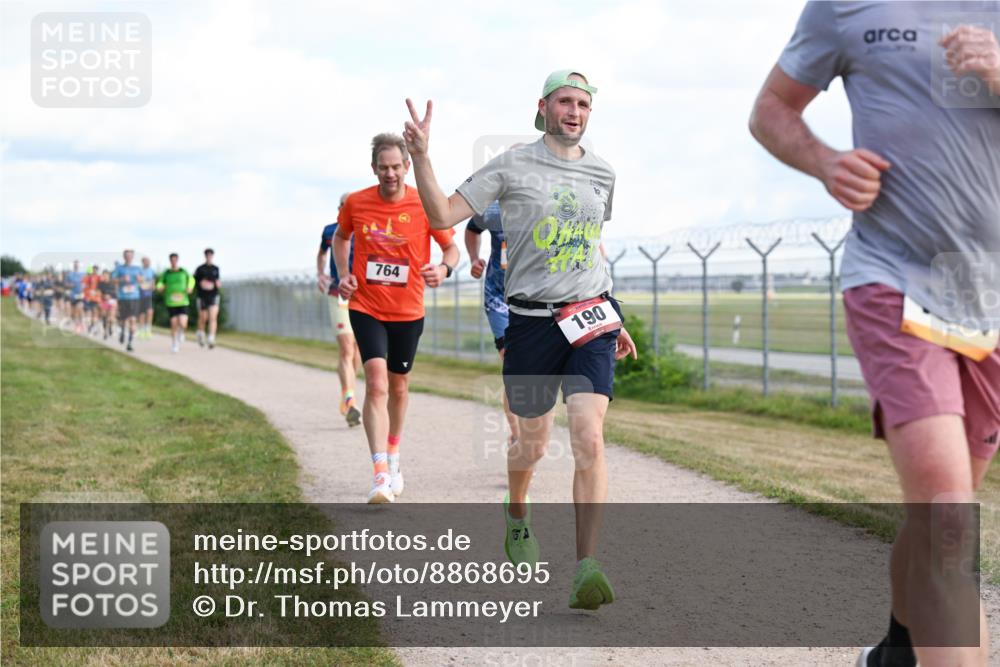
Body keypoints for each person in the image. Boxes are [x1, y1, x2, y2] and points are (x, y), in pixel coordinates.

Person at [750, 5, 999, 666]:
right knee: (950, 518)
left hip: (989, 301)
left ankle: (896, 648)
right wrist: (826, 162)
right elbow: (772, 106)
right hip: (893, 277)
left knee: (939, 515)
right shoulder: (844, 6)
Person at [403, 69, 637, 611]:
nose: (574, 112)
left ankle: (586, 567)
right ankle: (516, 511)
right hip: (530, 324)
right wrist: (421, 155)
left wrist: (613, 314)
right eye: (564, 102)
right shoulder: (512, 165)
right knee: (531, 443)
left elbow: (591, 247)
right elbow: (442, 214)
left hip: (590, 319)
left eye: (583, 104)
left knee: (589, 435)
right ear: (544, 107)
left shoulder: (603, 172)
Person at [334, 132, 459, 504]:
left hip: (407, 310)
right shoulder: (357, 203)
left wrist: (444, 269)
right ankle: (379, 474)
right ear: (374, 168)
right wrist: (344, 274)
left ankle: (393, 453)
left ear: (407, 166)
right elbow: (342, 239)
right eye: (383, 167)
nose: (390, 174)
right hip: (366, 305)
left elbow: (451, 247)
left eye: (396, 167)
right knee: (375, 384)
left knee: (399, 386)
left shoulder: (424, 205)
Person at [465, 202, 519, 448]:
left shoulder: (546, 204)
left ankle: (530, 430)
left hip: (534, 297)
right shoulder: (493, 211)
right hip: (498, 298)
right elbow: (472, 228)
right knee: (513, 364)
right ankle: (518, 435)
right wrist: (474, 259)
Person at [318, 193, 362, 427]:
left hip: (362, 296)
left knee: (355, 352)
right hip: (338, 294)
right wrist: (321, 273)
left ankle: (346, 396)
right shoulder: (330, 231)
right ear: (340, 208)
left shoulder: (364, 229)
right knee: (346, 347)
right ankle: (350, 399)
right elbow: (322, 254)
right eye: (346, 206)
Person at [156, 253, 195, 354]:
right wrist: (160, 286)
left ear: (177, 260)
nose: (173, 262)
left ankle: (181, 332)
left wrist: (190, 287)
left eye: (175, 260)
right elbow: (160, 282)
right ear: (170, 261)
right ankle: (174, 344)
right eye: (172, 260)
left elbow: (191, 279)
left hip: (183, 300)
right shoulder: (167, 273)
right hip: (171, 301)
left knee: (183, 323)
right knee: (174, 324)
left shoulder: (183, 271)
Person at [111, 250, 144, 352]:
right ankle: (122, 333)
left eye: (130, 256)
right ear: (124, 257)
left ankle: (130, 342)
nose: (128, 257)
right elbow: (113, 280)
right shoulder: (119, 268)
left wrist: (140, 279)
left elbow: (142, 280)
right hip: (123, 297)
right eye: (127, 256)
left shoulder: (137, 268)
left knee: (133, 320)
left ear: (132, 257)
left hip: (134, 297)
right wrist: (121, 279)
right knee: (123, 320)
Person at [194, 248, 221, 349]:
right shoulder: (200, 269)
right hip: (202, 296)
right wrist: (201, 284)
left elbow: (217, 281)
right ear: (205, 256)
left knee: (213, 317)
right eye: (207, 255)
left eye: (211, 255)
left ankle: (211, 338)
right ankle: (201, 333)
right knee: (203, 318)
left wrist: (217, 284)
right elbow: (195, 282)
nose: (209, 257)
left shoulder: (216, 269)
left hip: (213, 295)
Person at [138, 256, 157, 340]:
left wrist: (153, 286)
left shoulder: (152, 271)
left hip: (149, 294)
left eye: (149, 261)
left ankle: (148, 329)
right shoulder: (139, 271)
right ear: (143, 262)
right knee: (142, 313)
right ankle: (141, 330)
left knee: (149, 312)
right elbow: (139, 281)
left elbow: (153, 282)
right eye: (146, 261)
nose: (148, 263)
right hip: (140, 294)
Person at [65, 261, 86, 333]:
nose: (76, 266)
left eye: (77, 265)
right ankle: (76, 323)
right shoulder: (69, 274)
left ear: (79, 266)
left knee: (80, 308)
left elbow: (86, 283)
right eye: (75, 265)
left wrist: (84, 287)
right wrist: (69, 285)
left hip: (80, 294)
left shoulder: (83, 274)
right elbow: (66, 284)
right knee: (74, 313)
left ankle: (81, 324)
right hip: (72, 295)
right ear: (73, 266)